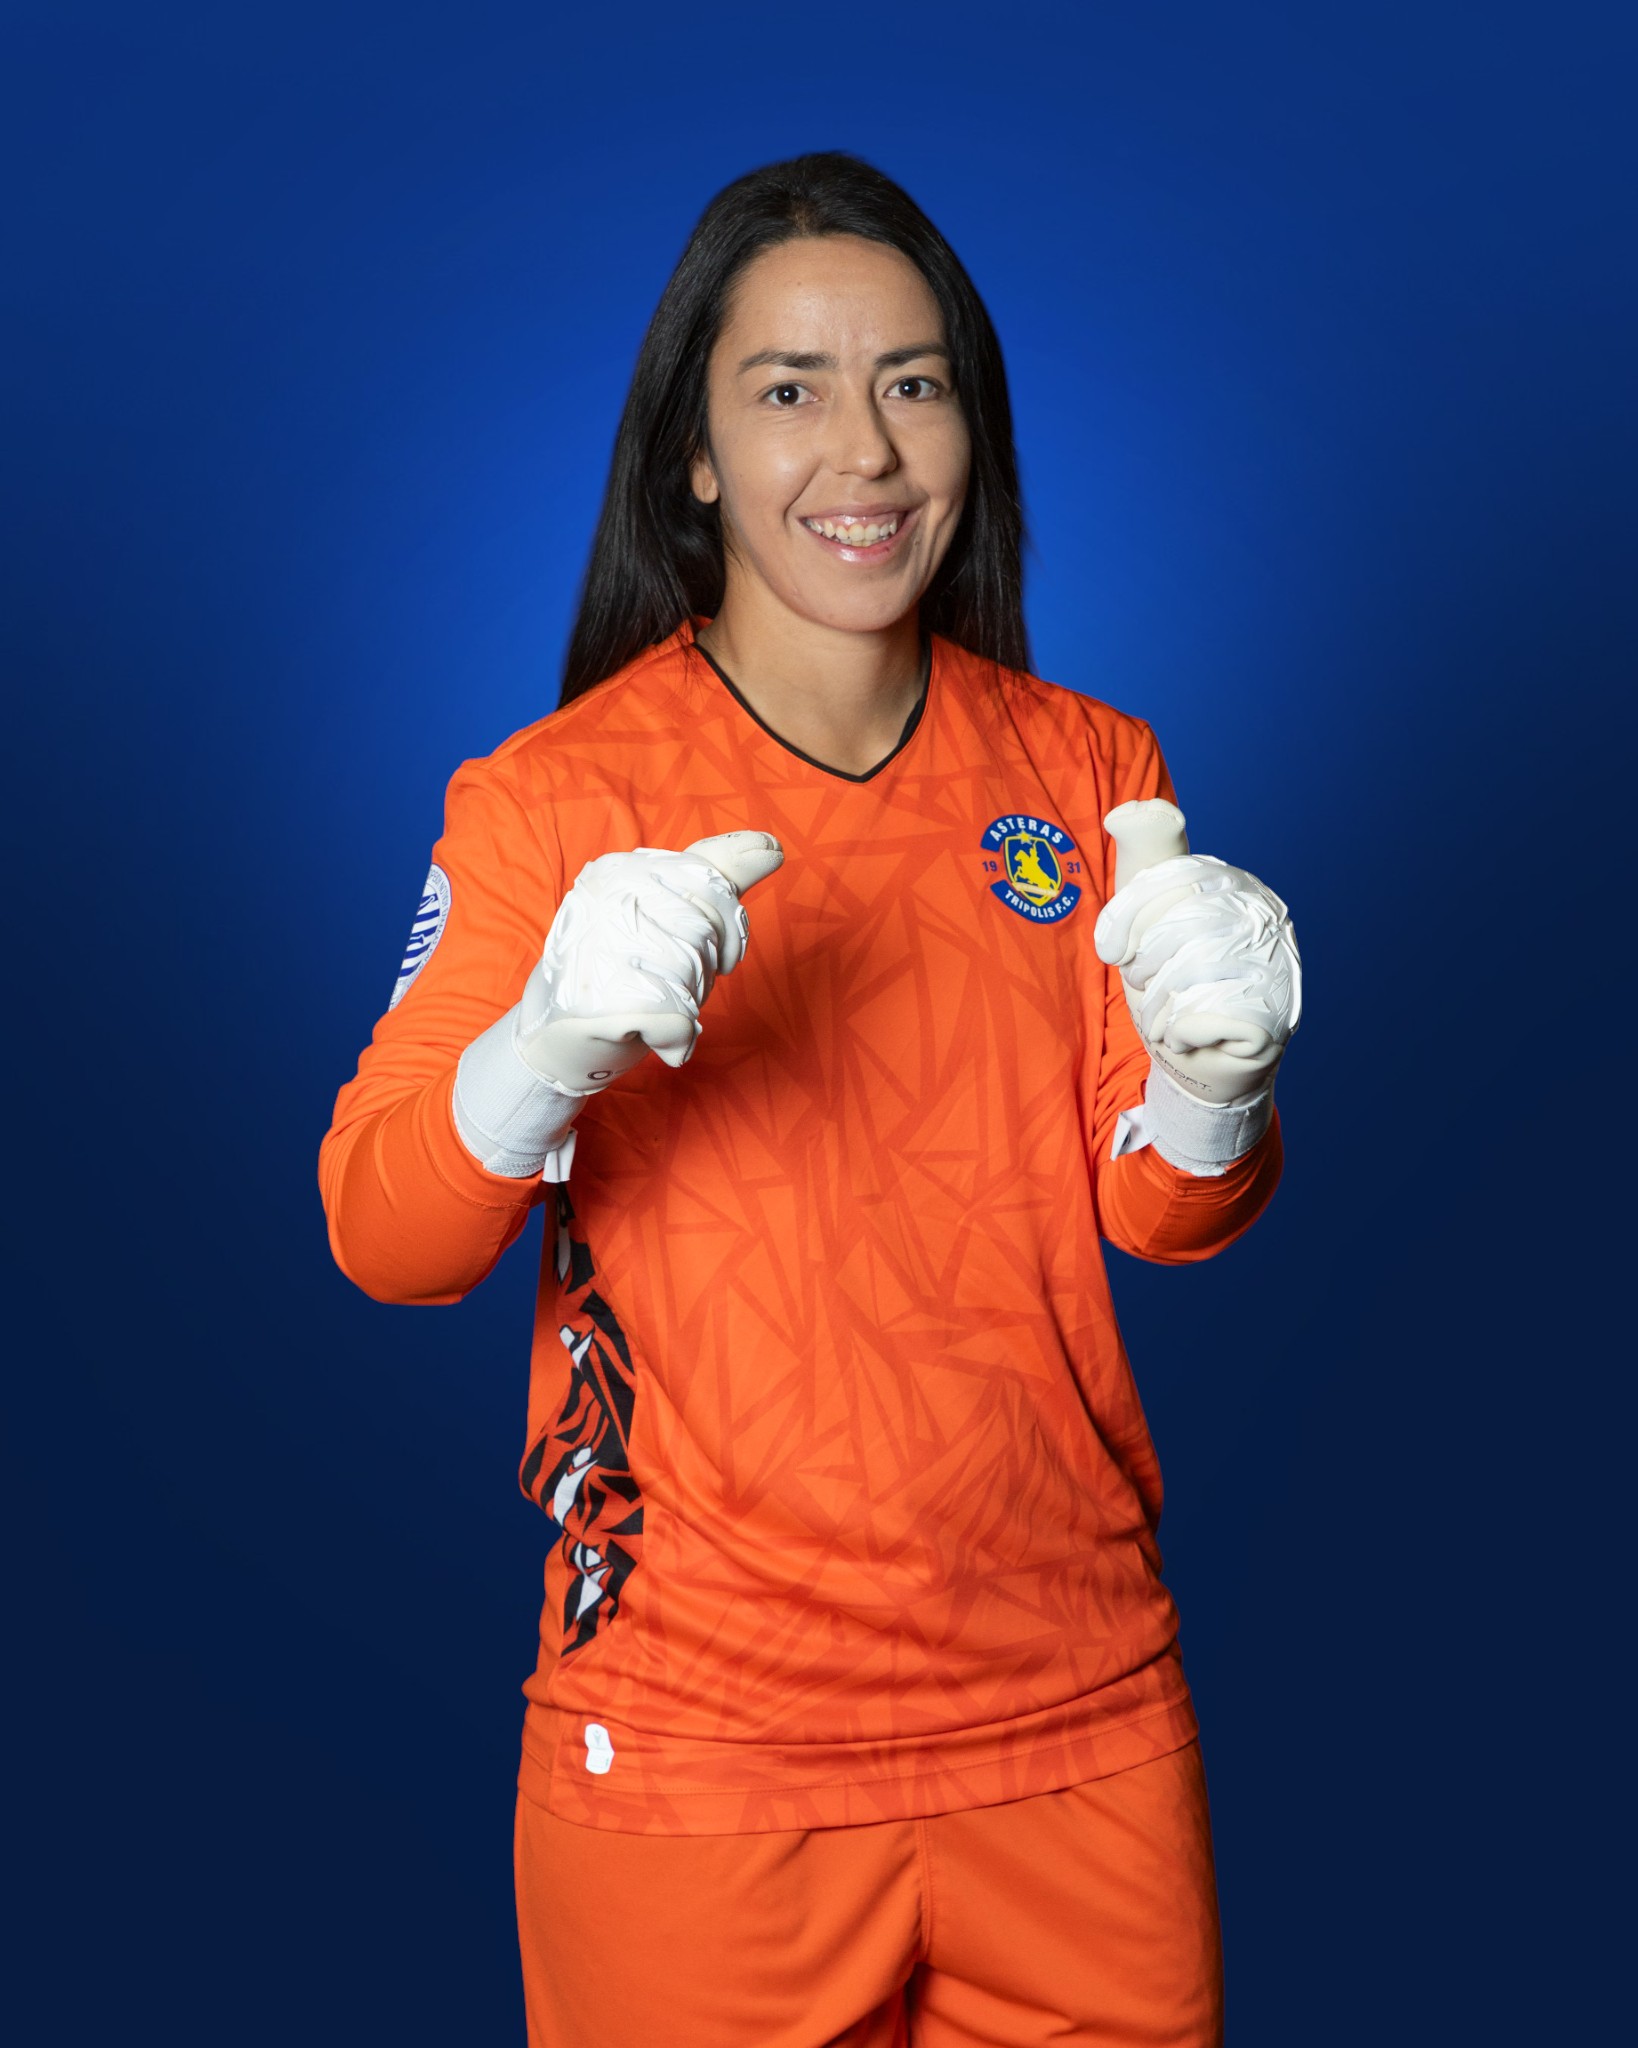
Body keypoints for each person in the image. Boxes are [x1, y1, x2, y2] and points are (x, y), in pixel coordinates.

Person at [319, 151, 1301, 2048]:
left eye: (913, 383)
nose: (864, 449)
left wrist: (1218, 1085)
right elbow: (384, 1233)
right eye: (788, 389)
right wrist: (543, 1046)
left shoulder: (1091, 771)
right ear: (690, 455)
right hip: (703, 1757)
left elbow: (1160, 1215)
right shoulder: (548, 801)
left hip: (1080, 1725)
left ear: (972, 429)